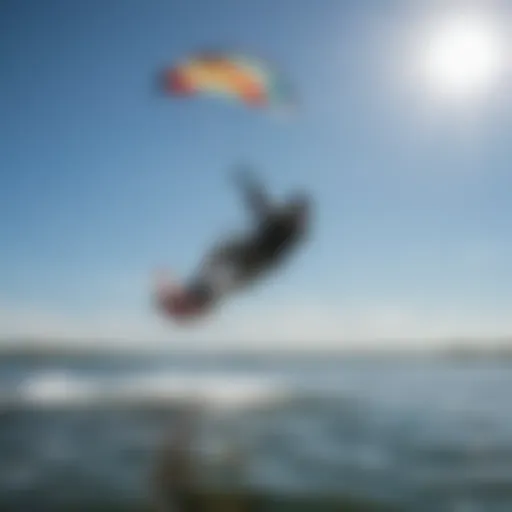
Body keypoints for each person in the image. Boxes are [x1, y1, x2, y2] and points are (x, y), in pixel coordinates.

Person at [155, 167, 311, 322]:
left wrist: (250, 187)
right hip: (243, 262)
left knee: (222, 271)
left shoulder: (285, 226)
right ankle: (194, 297)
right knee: (220, 261)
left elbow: (263, 208)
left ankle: (195, 298)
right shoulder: (288, 226)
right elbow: (263, 208)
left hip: (245, 263)